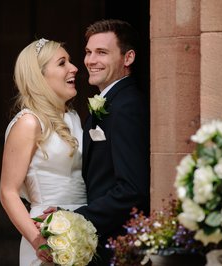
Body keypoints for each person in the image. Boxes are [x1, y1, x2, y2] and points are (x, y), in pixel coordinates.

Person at [0, 38, 85, 266]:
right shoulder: (29, 122)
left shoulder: (73, 118)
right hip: (48, 233)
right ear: (39, 75)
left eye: (70, 61)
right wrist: (39, 241)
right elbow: (8, 192)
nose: (74, 68)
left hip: (84, 232)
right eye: (62, 63)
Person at [72, 19, 150, 265]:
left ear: (128, 58)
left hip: (117, 245)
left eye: (102, 52)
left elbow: (132, 188)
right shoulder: (111, 102)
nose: (90, 60)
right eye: (88, 52)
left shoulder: (126, 106)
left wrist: (75, 220)